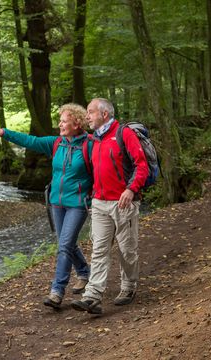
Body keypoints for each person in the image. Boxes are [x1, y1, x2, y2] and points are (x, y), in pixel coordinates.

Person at [0, 103, 93, 309]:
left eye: (64, 121)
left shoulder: (89, 145)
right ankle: (84, 272)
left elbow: (103, 168)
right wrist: (4, 133)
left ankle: (57, 291)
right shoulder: (56, 143)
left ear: (77, 123)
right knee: (66, 242)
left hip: (78, 203)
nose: (60, 125)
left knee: (64, 246)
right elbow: (31, 140)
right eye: (60, 121)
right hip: (56, 202)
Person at [71, 98, 149, 315]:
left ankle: (129, 286)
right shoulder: (93, 140)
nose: (87, 116)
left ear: (104, 114)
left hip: (124, 203)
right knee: (99, 250)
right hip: (99, 204)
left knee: (127, 250)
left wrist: (131, 189)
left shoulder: (124, 134)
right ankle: (93, 296)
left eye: (90, 112)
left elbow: (141, 165)